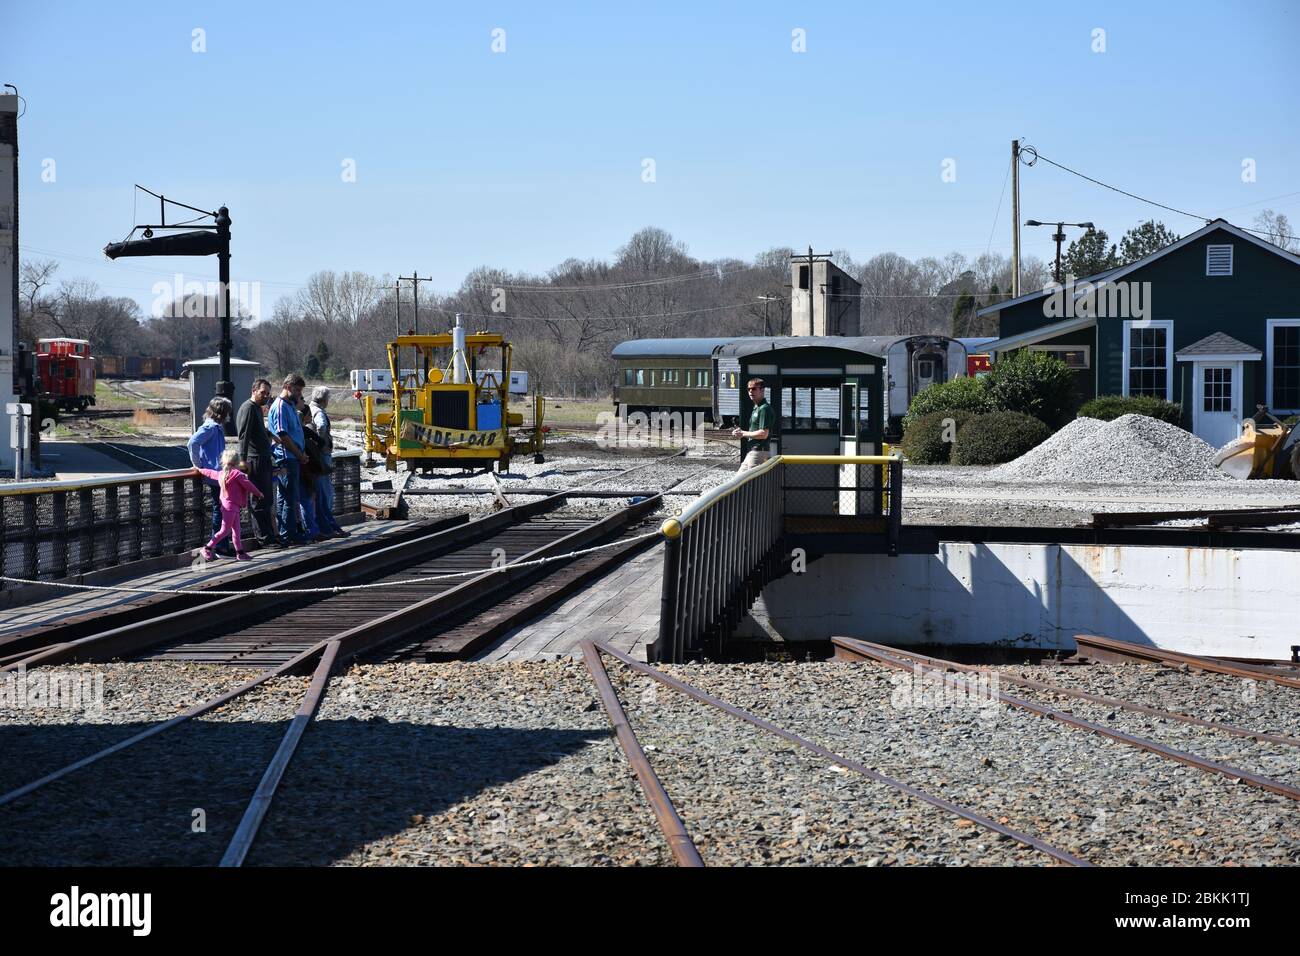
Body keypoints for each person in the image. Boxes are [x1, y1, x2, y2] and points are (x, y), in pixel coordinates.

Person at [236, 378, 281, 548]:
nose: (266, 396)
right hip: (255, 460)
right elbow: (244, 436)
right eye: (263, 392)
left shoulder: (256, 408)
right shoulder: (248, 408)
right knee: (259, 500)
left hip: (263, 458)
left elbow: (258, 430)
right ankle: (264, 538)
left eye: (268, 394)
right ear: (254, 391)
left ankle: (269, 535)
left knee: (267, 499)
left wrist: (271, 435)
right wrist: (242, 461)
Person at [187, 397, 235, 555]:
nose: (228, 416)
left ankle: (221, 544)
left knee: (221, 509)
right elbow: (192, 442)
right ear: (222, 413)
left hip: (220, 474)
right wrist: (198, 465)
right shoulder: (211, 427)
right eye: (227, 413)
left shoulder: (215, 427)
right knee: (220, 510)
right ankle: (220, 546)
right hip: (215, 475)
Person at [198, 449, 264, 561]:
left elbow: (210, 473)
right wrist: (259, 494)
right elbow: (249, 485)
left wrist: (199, 469)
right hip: (232, 507)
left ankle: (240, 553)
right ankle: (207, 548)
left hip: (229, 506)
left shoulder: (221, 474)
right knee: (225, 530)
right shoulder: (238, 474)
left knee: (236, 531)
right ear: (238, 462)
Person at [268, 373, 310, 545]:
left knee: (288, 497)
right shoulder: (280, 406)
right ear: (288, 387)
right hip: (287, 457)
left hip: (294, 456)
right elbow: (282, 435)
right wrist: (299, 454)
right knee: (288, 497)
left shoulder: (290, 405)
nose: (299, 394)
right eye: (297, 390)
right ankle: (287, 534)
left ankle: (288, 532)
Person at [308, 386, 349, 538]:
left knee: (320, 492)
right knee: (326, 492)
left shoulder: (310, 408)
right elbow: (321, 426)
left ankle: (323, 523)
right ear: (324, 399)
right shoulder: (319, 412)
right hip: (322, 455)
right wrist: (320, 442)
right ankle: (327, 524)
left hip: (316, 456)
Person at [732, 378, 772, 472]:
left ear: (762, 390)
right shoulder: (757, 408)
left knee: (749, 484)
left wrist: (742, 433)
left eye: (754, 389)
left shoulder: (764, 409)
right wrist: (741, 432)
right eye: (749, 389)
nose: (750, 391)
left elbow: (763, 434)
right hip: (753, 452)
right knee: (739, 482)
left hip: (758, 453)